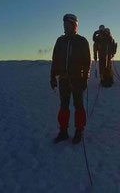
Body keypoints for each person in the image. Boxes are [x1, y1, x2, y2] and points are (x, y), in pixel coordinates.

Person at [50, 14, 91, 144]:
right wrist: (52, 76)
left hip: (77, 79)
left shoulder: (82, 41)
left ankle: (79, 130)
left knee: (78, 105)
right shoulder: (60, 41)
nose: (65, 27)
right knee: (64, 105)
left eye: (67, 24)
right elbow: (55, 59)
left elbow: (87, 61)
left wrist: (85, 78)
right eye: (64, 24)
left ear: (74, 25)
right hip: (63, 79)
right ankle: (63, 131)